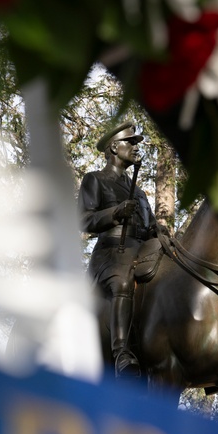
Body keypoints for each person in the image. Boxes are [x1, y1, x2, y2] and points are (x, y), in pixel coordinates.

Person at [79, 120, 160, 379]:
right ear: (114, 147)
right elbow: (83, 219)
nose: (137, 147)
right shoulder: (96, 180)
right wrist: (115, 212)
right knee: (122, 281)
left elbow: (152, 227)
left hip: (141, 250)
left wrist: (161, 234)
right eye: (132, 142)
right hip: (111, 253)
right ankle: (121, 352)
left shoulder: (139, 192)